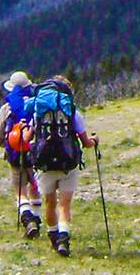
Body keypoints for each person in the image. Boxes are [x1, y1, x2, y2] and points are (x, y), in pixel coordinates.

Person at [25, 75, 98, 258]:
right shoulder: (72, 112)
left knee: (50, 203)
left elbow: (27, 139)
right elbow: (86, 142)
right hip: (68, 163)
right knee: (64, 205)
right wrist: (95, 141)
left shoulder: (39, 112)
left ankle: (52, 233)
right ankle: (63, 237)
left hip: (45, 164)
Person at [0, 70, 42, 237]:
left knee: (20, 189)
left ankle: (27, 219)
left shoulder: (7, 108)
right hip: (36, 151)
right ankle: (37, 218)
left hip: (16, 151)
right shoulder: (38, 104)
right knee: (35, 186)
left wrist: (5, 145)